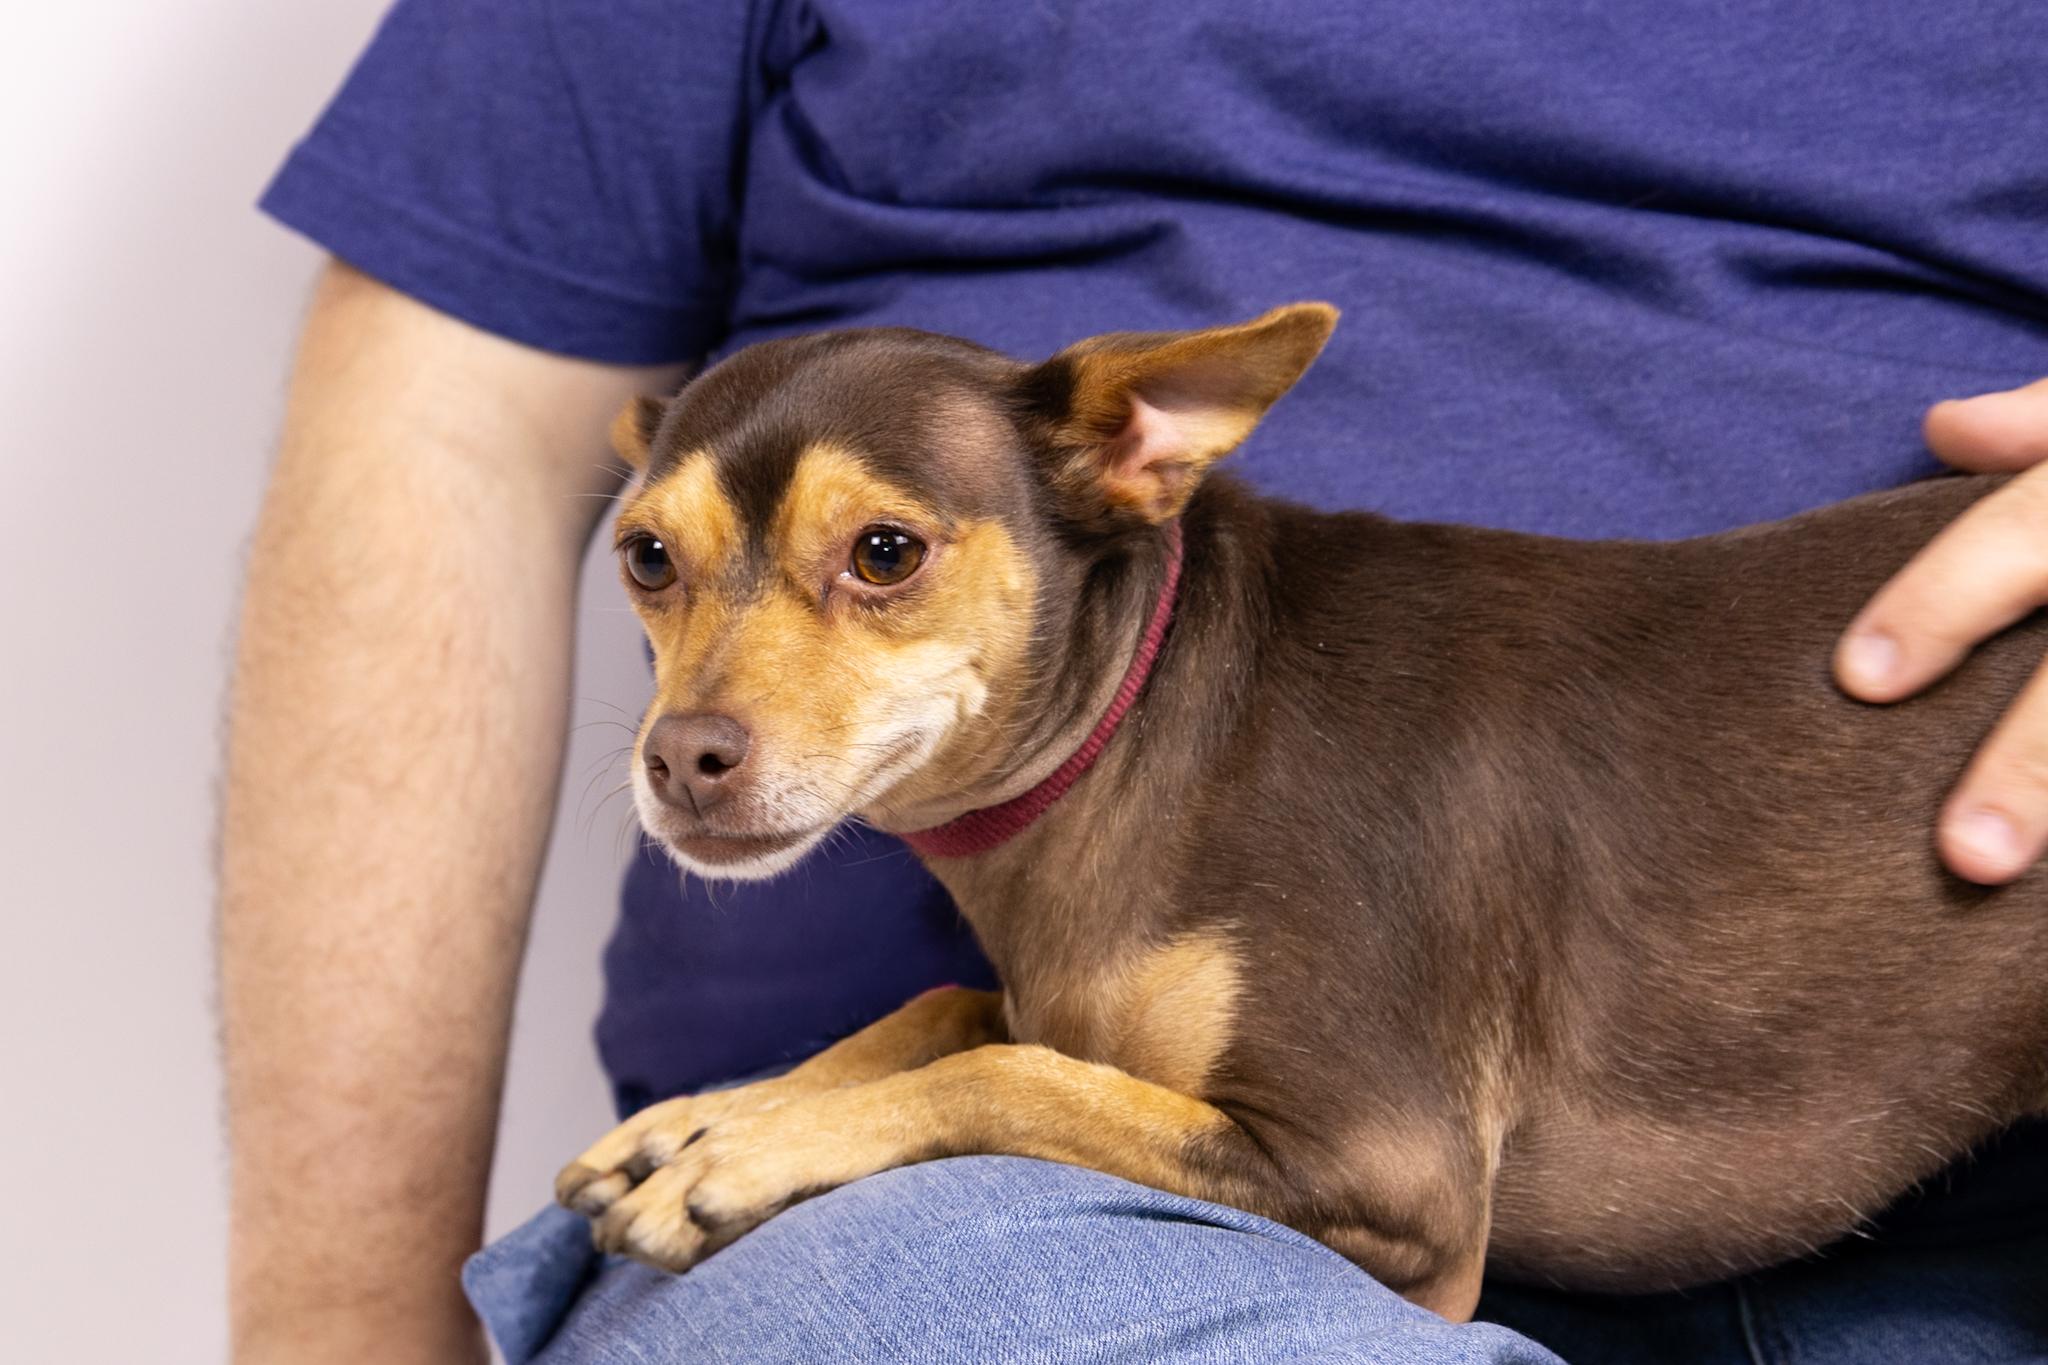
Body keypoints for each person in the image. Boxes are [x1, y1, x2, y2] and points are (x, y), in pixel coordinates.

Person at [218, 1, 2048, 1360]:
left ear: (1141, 458)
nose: (708, 704)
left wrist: (963, 1079)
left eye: (876, 560)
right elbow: (440, 428)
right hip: (1013, 1263)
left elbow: (1396, 1206)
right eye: (659, 564)